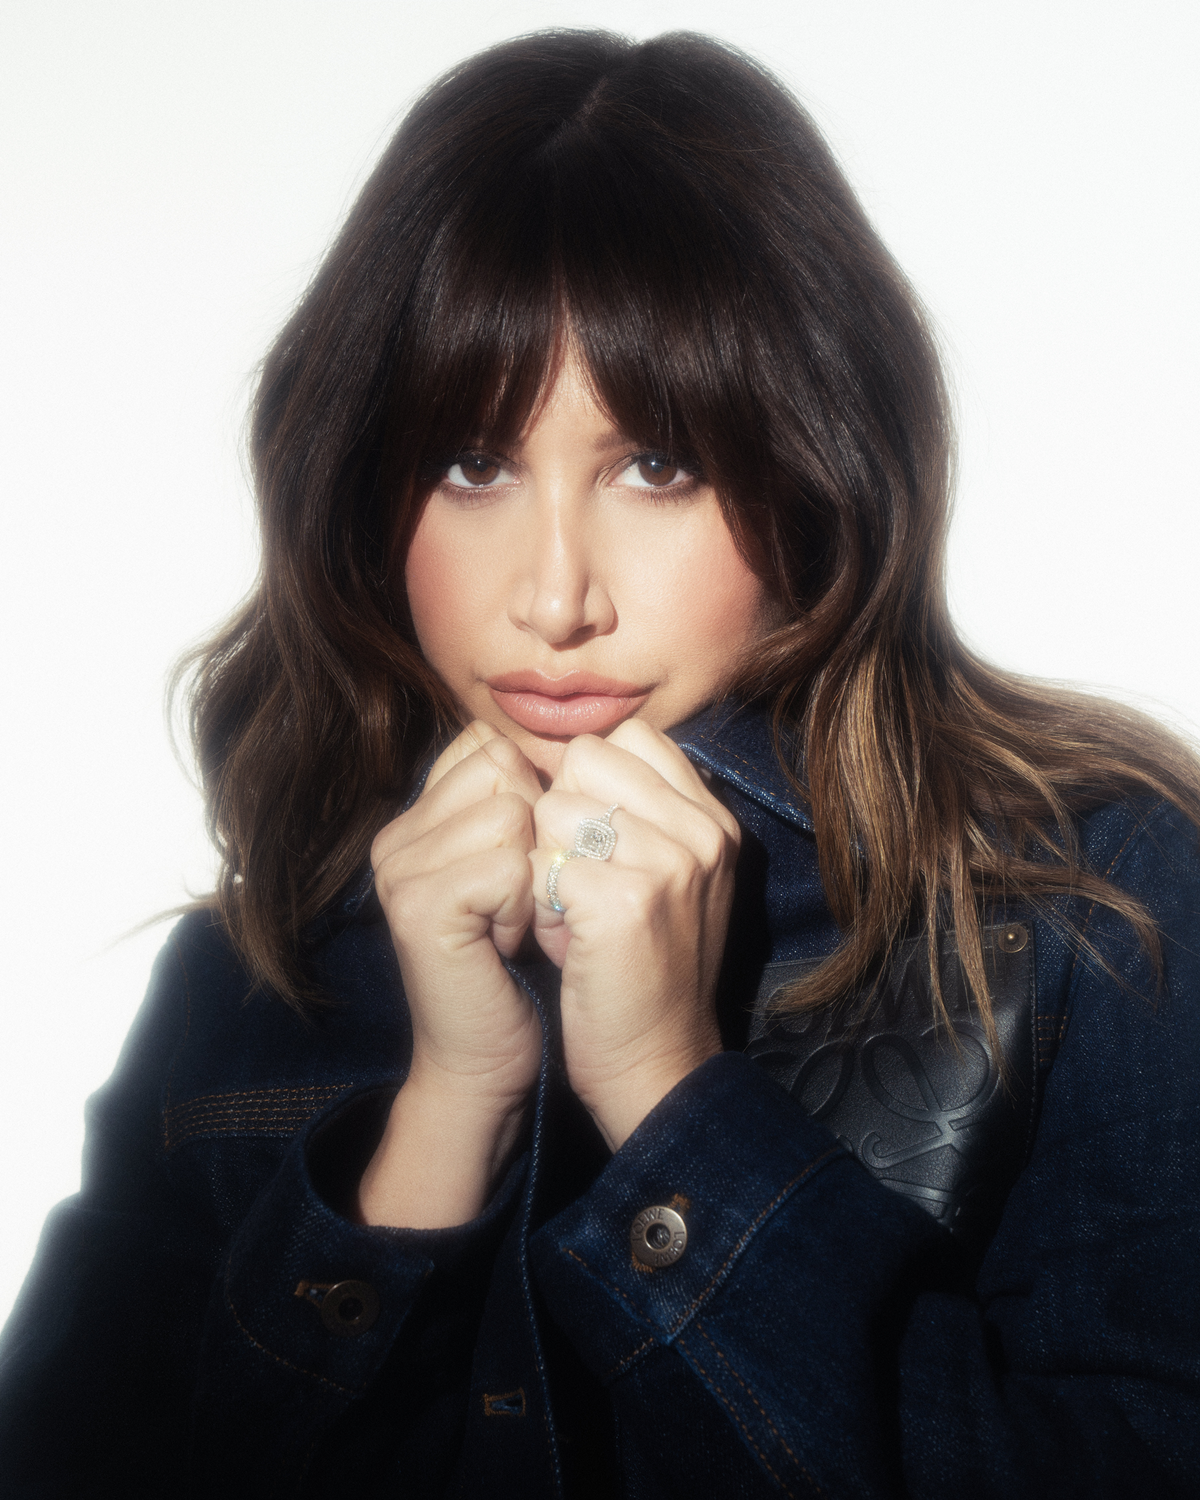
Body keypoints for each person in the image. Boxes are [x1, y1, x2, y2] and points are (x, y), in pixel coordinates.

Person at [1, 27, 1198, 1499]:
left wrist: (664, 1088)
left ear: (819, 467)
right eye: (475, 465)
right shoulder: (250, 972)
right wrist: (446, 1116)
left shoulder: (1099, 901)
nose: (556, 598)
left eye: (659, 466)